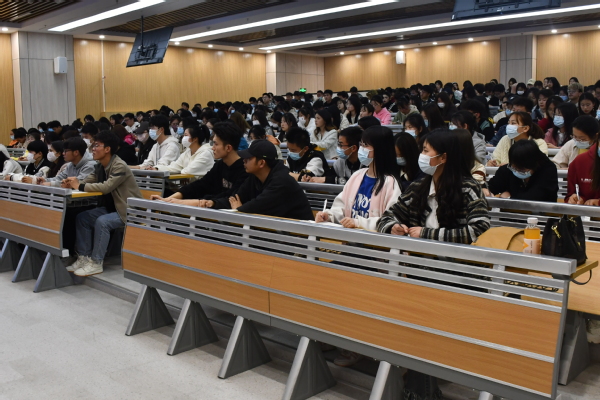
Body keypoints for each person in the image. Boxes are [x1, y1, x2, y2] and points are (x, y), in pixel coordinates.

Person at [377, 127, 490, 242]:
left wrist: (427, 234)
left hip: (455, 254)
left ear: (443, 157)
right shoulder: (417, 187)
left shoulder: (469, 189)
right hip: (417, 253)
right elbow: (387, 217)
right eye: (422, 150)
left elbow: (480, 229)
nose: (421, 155)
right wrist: (393, 227)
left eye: (426, 151)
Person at [63, 132, 141, 276]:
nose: (93, 149)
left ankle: (96, 262)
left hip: (129, 210)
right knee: (82, 218)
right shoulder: (100, 166)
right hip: (112, 208)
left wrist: (79, 186)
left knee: (102, 222)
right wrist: (72, 183)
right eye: (93, 145)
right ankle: (84, 258)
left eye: (97, 145)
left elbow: (106, 187)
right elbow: (87, 181)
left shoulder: (119, 166)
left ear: (107, 149)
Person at [315, 125, 401, 234]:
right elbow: (341, 206)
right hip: (350, 238)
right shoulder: (357, 175)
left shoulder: (390, 183)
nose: (361, 149)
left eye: (366, 145)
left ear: (380, 149)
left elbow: (390, 220)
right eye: (361, 144)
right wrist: (329, 215)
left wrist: (358, 223)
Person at [151, 122, 248, 206]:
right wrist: (169, 199)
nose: (212, 148)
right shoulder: (220, 165)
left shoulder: (245, 170)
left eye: (216, 144)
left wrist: (179, 202)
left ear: (228, 148)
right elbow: (201, 184)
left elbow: (229, 198)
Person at [487, 140, 558, 202]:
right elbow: (492, 186)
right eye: (514, 167)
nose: (517, 171)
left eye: (521, 169)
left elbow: (537, 197)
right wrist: (485, 190)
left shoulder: (548, 170)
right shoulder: (508, 169)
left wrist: (509, 198)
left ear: (534, 165)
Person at [566, 119, 600, 205]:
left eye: (582, 138)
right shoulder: (579, 161)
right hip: (586, 211)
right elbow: (570, 194)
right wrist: (575, 198)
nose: (578, 140)